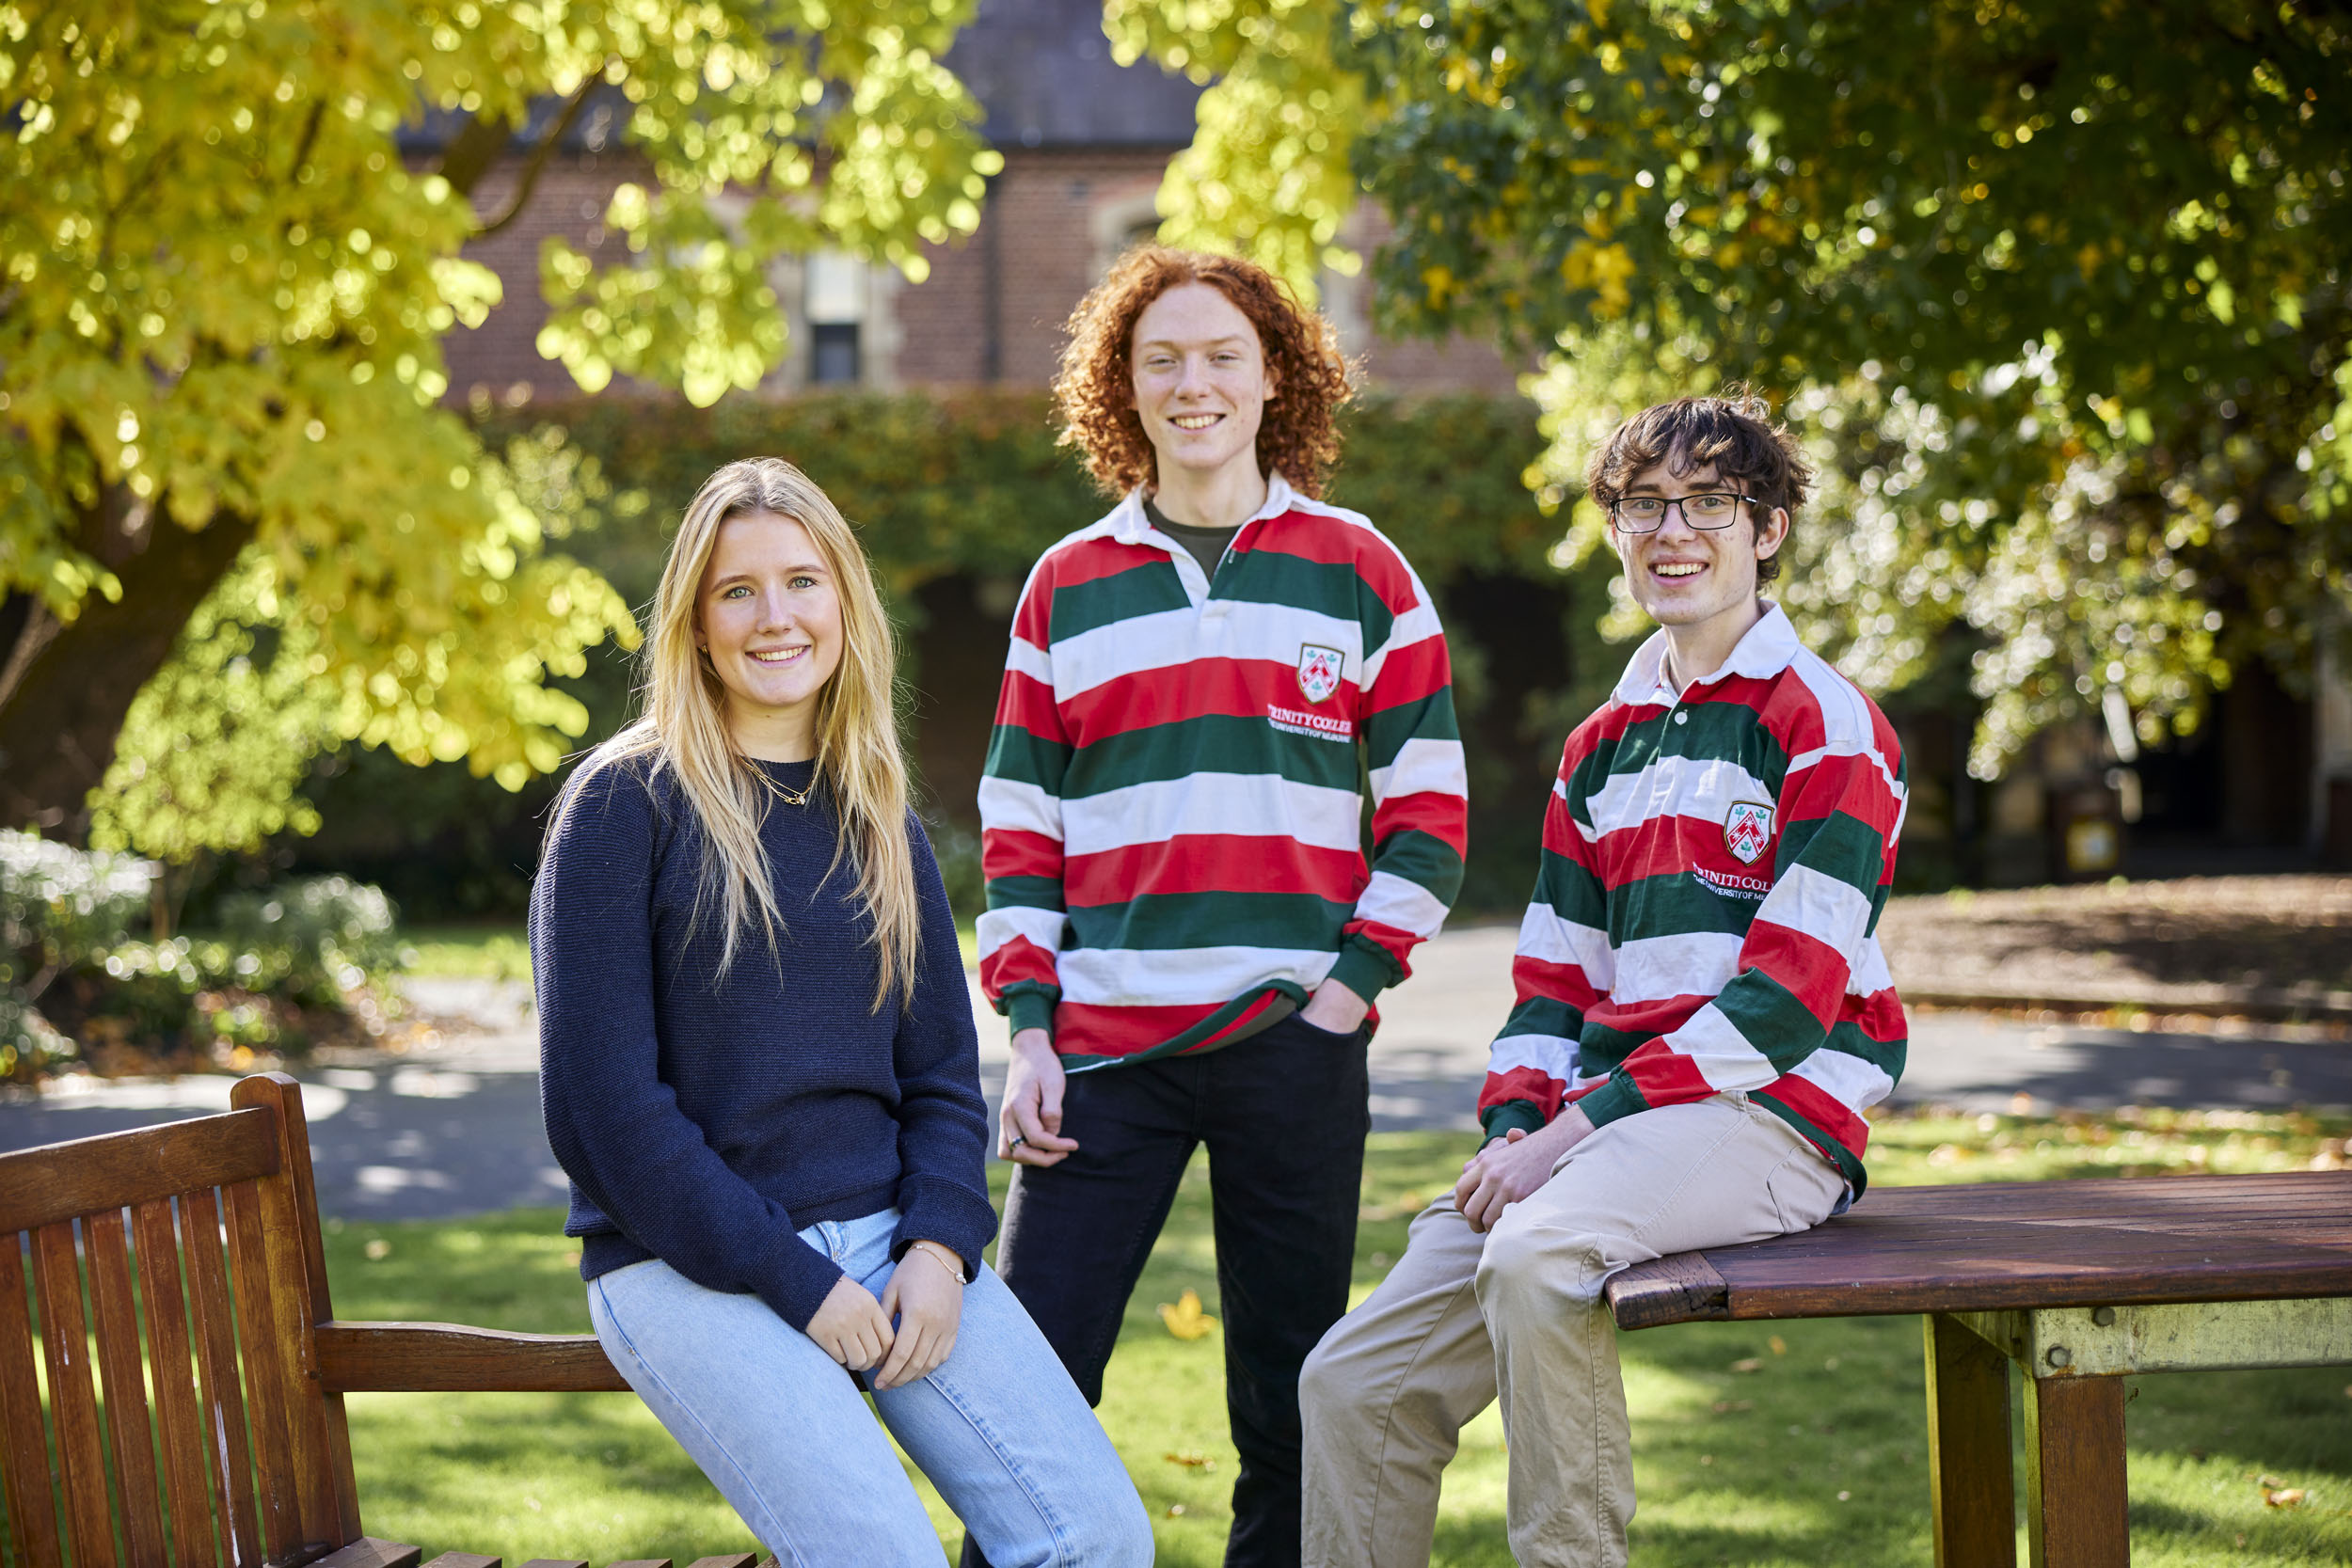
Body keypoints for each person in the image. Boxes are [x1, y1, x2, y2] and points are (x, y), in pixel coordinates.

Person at [1299, 394, 1910, 1567]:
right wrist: (1518, 1125)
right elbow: (1551, 986)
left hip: (1773, 1114)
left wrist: (1565, 1133)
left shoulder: (1827, 724)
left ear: (1767, 526)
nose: (1671, 531)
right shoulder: (1602, 743)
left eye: (1708, 503)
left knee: (1536, 1256)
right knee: (1351, 1379)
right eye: (1642, 505)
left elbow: (1783, 1006)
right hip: (1605, 1126)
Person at [532, 458, 1152, 1568]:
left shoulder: (876, 812)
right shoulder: (625, 805)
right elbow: (605, 1114)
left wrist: (940, 1242)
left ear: (844, 603)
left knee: (1095, 1536)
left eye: (803, 582)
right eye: (738, 590)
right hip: (681, 1259)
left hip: (887, 1241)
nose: (776, 616)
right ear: (697, 620)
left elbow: (941, 1078)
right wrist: (794, 1277)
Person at [971, 245, 1469, 1567]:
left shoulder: (1362, 568)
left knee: (1291, 1398)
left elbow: (1431, 815)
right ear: (1121, 390)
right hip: (1103, 1057)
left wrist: (1345, 992)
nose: (1192, 383)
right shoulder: (1066, 582)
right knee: (1026, 1391)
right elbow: (1020, 826)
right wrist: (1030, 1026)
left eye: (1221, 355)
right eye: (1161, 360)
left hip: (1292, 1047)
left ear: (1273, 376)